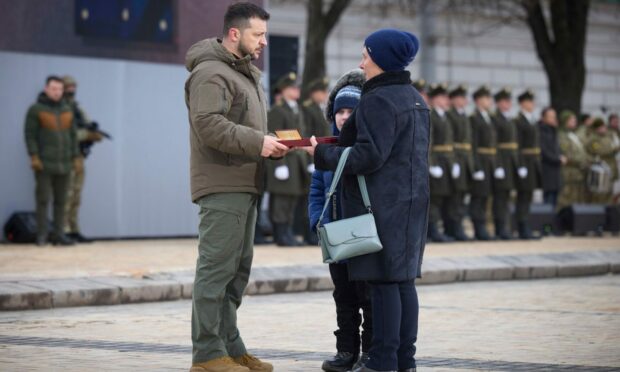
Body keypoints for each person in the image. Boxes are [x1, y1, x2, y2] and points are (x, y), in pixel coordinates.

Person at [306, 28, 428, 372]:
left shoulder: (379, 99)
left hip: (381, 207)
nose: (362, 61)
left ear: (381, 58)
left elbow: (368, 156)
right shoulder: (415, 97)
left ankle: (382, 360)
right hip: (410, 206)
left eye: (366, 54)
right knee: (403, 283)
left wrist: (323, 154)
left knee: (385, 283)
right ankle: (404, 359)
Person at [184, 3, 288, 371]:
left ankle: (231, 347)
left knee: (235, 274)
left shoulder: (244, 74)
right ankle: (208, 355)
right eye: (257, 35)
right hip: (223, 183)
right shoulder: (212, 73)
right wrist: (258, 142)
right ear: (234, 34)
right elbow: (209, 125)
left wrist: (273, 144)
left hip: (245, 182)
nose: (263, 42)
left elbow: (244, 130)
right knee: (215, 271)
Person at [308, 69, 371, 372]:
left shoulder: (365, 147)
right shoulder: (327, 149)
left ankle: (370, 352)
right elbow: (317, 190)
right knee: (343, 297)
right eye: (340, 111)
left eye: (351, 111)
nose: (344, 116)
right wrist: (315, 222)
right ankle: (346, 351)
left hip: (361, 235)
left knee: (367, 297)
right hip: (334, 234)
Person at [24, 75, 81, 246]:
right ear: (46, 89)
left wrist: (75, 157)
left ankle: (58, 235)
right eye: (54, 89)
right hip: (44, 163)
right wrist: (34, 155)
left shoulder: (67, 110)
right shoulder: (36, 110)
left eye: (60, 89)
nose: (57, 92)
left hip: (64, 163)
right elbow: (30, 135)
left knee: (61, 201)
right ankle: (41, 235)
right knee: (43, 200)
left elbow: (72, 136)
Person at [265, 72, 309, 246]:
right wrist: (279, 164)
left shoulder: (295, 109)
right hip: (284, 160)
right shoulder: (278, 110)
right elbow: (276, 137)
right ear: (283, 90)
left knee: (291, 199)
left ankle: (287, 232)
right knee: (282, 200)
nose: (297, 90)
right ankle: (280, 234)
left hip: (296, 160)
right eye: (292, 87)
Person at [62, 75, 103, 243]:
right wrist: (86, 134)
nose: (72, 90)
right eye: (68, 87)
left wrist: (93, 131)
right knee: (67, 194)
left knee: (76, 195)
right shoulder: (61, 110)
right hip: (65, 156)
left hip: (78, 156)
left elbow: (86, 125)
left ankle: (73, 229)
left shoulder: (76, 108)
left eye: (73, 87)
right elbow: (65, 134)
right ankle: (63, 229)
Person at [427, 83, 455, 242]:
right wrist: (431, 164)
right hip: (437, 160)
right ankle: (432, 230)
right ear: (435, 99)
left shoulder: (446, 116)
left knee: (444, 197)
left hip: (447, 161)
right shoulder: (432, 115)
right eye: (443, 97)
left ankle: (441, 229)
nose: (446, 100)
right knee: (435, 199)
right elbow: (429, 142)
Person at [445, 84, 474, 241]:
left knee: (462, 195)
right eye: (460, 98)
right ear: (454, 99)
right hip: (455, 159)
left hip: (465, 161)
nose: (463, 101)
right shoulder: (450, 116)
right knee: (454, 196)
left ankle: (458, 226)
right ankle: (454, 227)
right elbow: (450, 142)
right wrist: (454, 161)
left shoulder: (464, 116)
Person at [469, 85, 496, 240]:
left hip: (490, 163)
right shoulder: (474, 118)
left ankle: (484, 225)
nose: (489, 101)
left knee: (486, 196)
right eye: (486, 98)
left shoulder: (489, 118)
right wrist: (476, 166)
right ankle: (478, 227)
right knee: (478, 196)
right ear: (478, 101)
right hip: (481, 161)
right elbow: (473, 144)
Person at [514, 89, 542, 239]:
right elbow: (517, 144)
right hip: (525, 162)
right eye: (529, 101)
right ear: (522, 103)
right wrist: (521, 164)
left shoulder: (532, 119)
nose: (532, 104)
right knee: (523, 196)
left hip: (533, 162)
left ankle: (526, 225)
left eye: (532, 101)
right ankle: (522, 227)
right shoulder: (518, 121)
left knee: (529, 195)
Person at [491, 87, 517, 239]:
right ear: (499, 103)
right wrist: (498, 165)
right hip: (501, 161)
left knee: (507, 196)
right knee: (500, 197)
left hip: (510, 162)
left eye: (509, 101)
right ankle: (500, 228)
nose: (508, 104)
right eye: (505, 101)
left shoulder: (509, 119)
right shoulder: (495, 119)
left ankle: (505, 226)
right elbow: (494, 144)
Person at [557, 110, 590, 210]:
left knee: (578, 200)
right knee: (566, 200)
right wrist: (582, 161)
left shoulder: (573, 135)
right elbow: (567, 154)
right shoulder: (561, 136)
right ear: (565, 121)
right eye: (571, 120)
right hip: (569, 174)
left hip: (579, 173)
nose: (574, 122)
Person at [585, 118, 620, 204]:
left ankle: (608, 213)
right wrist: (617, 148)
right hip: (600, 172)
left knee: (609, 194)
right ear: (597, 128)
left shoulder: (607, 136)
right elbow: (602, 151)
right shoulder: (593, 140)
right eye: (602, 127)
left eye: (604, 126)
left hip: (610, 169)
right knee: (599, 196)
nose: (604, 129)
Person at [538, 107, 565, 208]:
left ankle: (550, 223)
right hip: (547, 171)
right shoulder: (541, 131)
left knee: (554, 201)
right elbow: (544, 151)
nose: (554, 119)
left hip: (555, 172)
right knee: (548, 202)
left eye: (554, 117)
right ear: (543, 118)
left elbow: (557, 148)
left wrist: (561, 156)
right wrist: (557, 159)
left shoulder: (553, 131)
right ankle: (546, 223)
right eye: (550, 117)